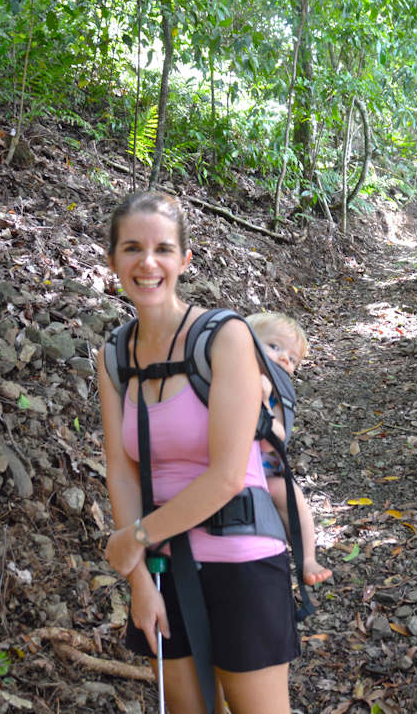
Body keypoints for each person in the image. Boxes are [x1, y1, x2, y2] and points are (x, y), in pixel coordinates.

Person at [97, 191, 297, 714]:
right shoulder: (116, 356)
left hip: (241, 561)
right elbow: (122, 472)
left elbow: (229, 475)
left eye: (163, 249)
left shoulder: (223, 337)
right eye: (132, 248)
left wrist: (134, 538)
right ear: (113, 258)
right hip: (163, 570)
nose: (147, 262)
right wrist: (139, 579)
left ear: (184, 260)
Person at [246, 312, 332, 586]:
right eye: (274, 346)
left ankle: (307, 557)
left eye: (293, 358)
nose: (285, 358)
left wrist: (264, 405)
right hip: (221, 463)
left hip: (265, 469)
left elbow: (278, 437)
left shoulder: (277, 393)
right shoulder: (221, 372)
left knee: (292, 497)